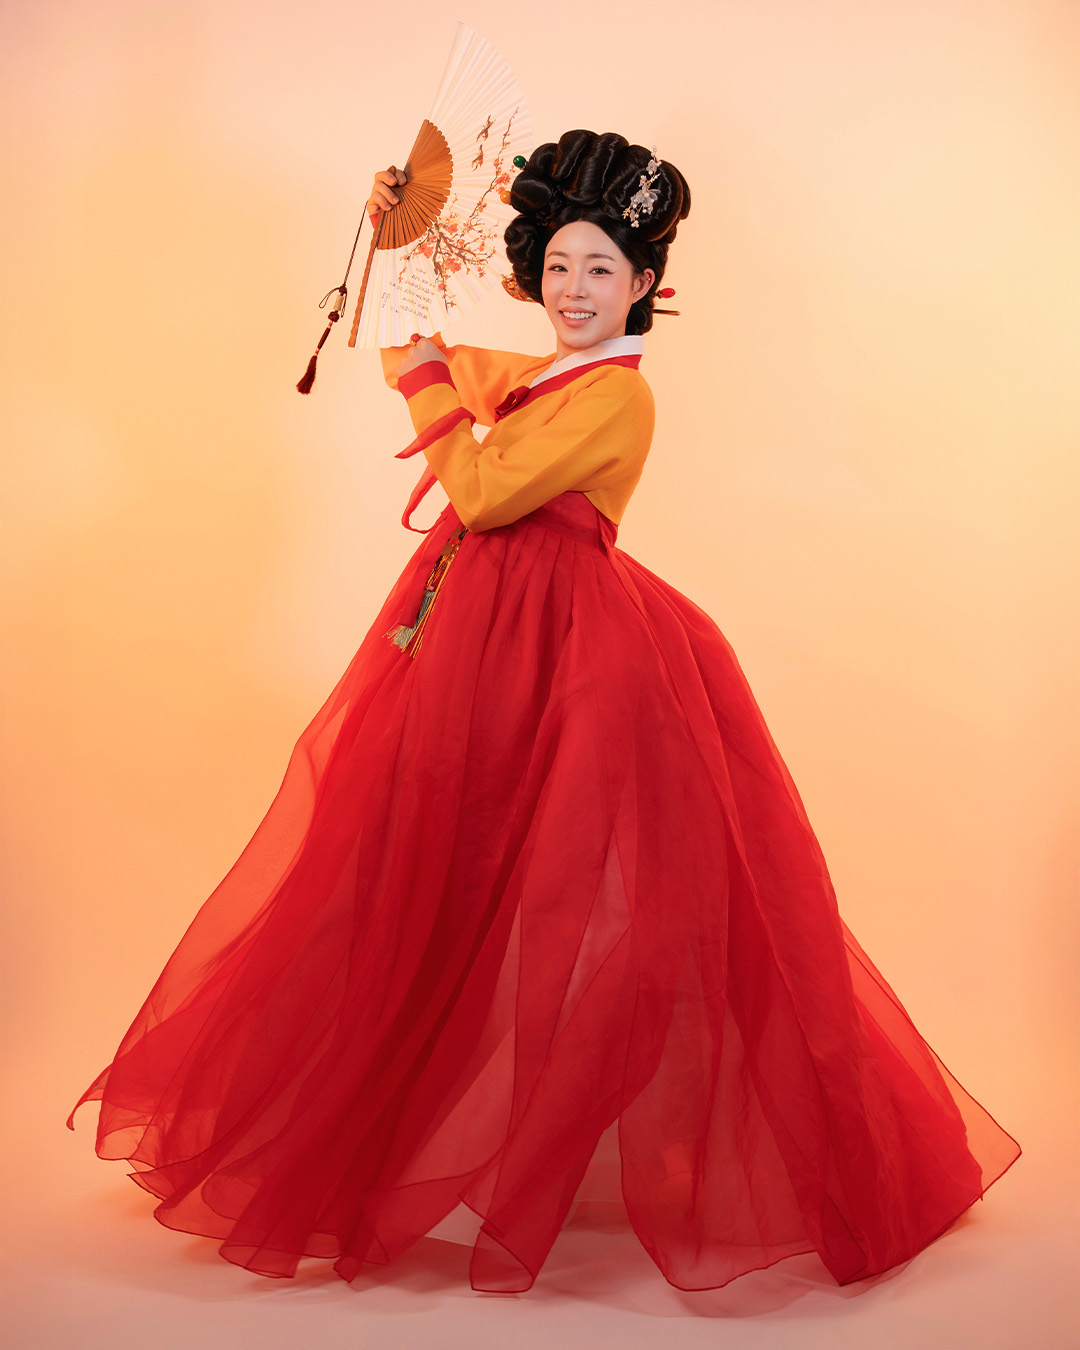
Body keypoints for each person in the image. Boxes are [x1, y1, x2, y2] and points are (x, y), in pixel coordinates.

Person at [67, 130, 1020, 1296]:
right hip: (482, 633)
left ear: (645, 284)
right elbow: (430, 355)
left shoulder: (620, 398)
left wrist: (428, 376)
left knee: (563, 893)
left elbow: (480, 489)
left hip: (561, 650)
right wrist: (401, 250)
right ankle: (375, 1137)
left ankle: (667, 1148)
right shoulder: (546, 375)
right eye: (559, 265)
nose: (574, 288)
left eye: (600, 270)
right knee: (423, 870)